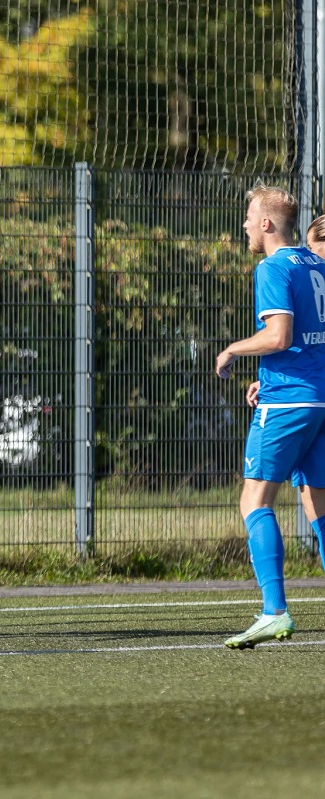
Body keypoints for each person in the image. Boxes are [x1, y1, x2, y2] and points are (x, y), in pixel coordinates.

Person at [215, 186, 325, 649]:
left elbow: (278, 335)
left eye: (248, 216)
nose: (243, 224)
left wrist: (233, 349)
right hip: (319, 399)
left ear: (266, 223)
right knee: (317, 505)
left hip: (287, 402)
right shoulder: (317, 265)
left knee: (254, 501)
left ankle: (274, 611)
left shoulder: (272, 267)